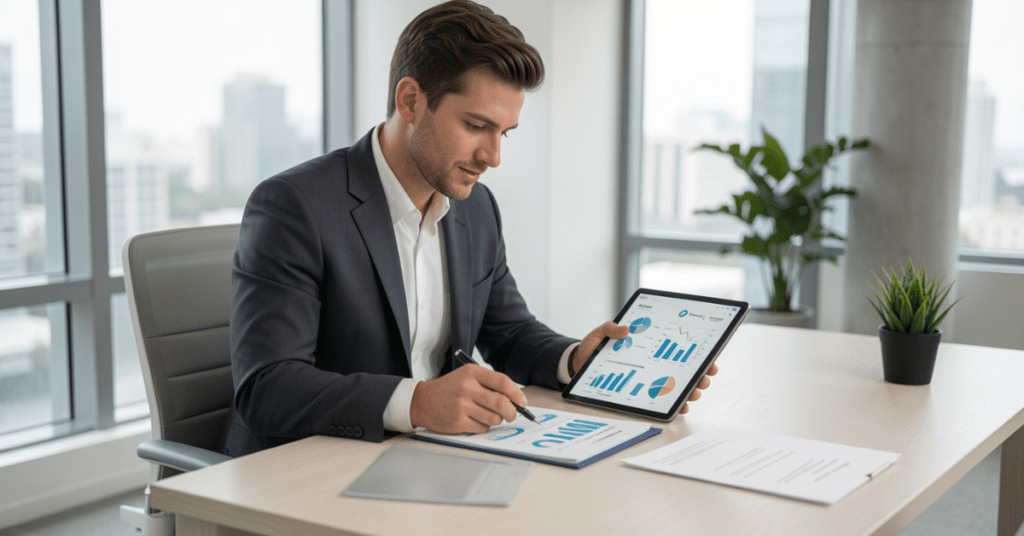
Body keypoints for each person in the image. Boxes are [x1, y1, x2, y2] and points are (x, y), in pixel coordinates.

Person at [219, 0, 715, 457]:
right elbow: (268, 388)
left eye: (503, 134)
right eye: (477, 126)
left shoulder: (475, 209)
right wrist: (417, 403)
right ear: (411, 101)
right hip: (304, 472)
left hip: (427, 460)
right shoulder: (295, 206)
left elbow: (511, 334)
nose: (493, 157)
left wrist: (575, 360)